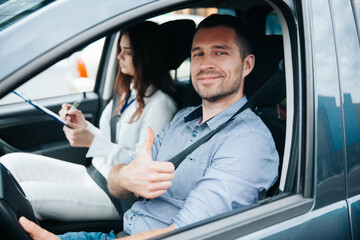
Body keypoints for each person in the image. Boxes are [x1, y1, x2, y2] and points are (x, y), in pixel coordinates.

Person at [19, 14, 279, 240]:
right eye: (198, 53)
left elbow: (185, 233)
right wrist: (126, 177)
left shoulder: (249, 142)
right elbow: (117, 180)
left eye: (220, 52)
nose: (206, 63)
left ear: (247, 65)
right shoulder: (182, 118)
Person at [1, 21, 177, 221]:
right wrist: (83, 126)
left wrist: (92, 142)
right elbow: (110, 140)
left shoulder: (161, 105)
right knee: (11, 163)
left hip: (116, 194)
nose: (119, 56)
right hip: (94, 173)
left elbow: (138, 167)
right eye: (119, 50)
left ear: (146, 56)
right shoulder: (130, 92)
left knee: (25, 196)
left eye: (126, 52)